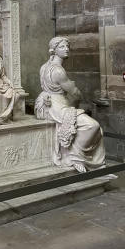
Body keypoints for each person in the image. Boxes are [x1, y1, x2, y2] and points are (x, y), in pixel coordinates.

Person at [35, 37, 105, 173]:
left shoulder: (44, 67)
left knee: (95, 129)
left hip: (45, 103)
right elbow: (75, 93)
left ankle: (73, 154)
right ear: (53, 51)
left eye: (67, 46)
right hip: (55, 106)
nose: (66, 49)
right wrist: (78, 96)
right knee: (93, 126)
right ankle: (73, 157)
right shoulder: (58, 71)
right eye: (62, 47)